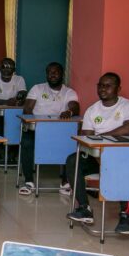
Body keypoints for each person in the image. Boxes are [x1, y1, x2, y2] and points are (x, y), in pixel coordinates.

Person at [66, 73, 129, 234]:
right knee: (73, 160)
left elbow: (128, 129)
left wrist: (99, 138)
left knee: (120, 165)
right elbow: (85, 136)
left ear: (118, 88)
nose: (103, 88)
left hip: (122, 157)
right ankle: (84, 208)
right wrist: (98, 143)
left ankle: (127, 216)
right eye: (100, 85)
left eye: (108, 85)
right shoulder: (92, 110)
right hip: (96, 157)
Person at [18, 62, 79, 196]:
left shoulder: (69, 92)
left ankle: (65, 181)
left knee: (71, 143)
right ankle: (29, 181)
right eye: (49, 72)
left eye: (55, 72)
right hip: (37, 130)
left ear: (62, 74)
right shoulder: (37, 88)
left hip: (59, 133)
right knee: (27, 142)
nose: (52, 75)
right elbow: (27, 109)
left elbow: (75, 107)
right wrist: (32, 122)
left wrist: (69, 112)